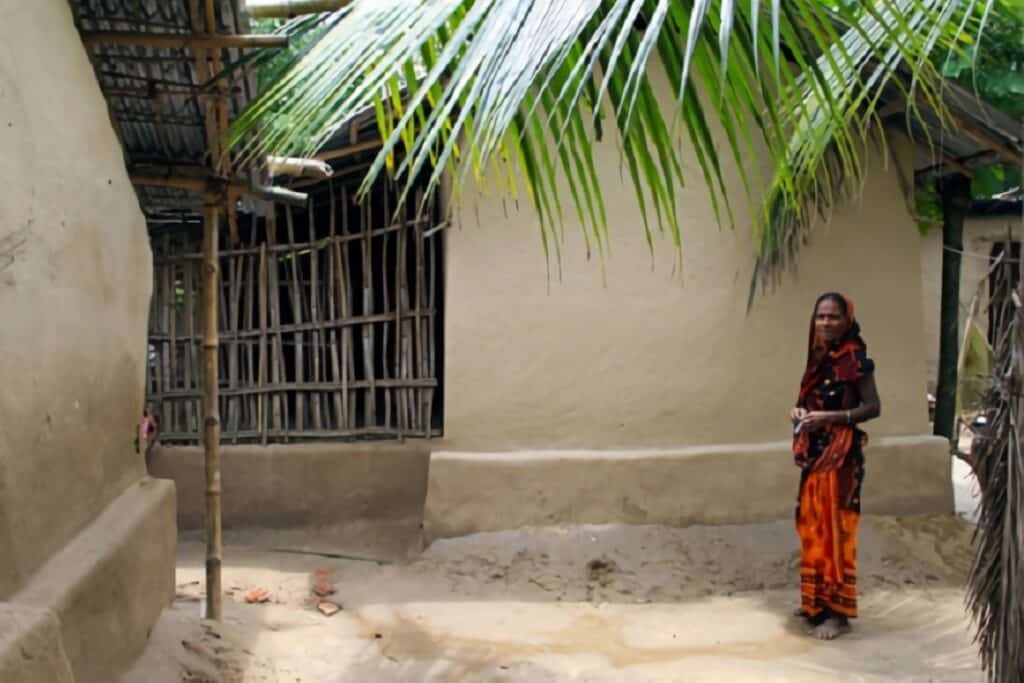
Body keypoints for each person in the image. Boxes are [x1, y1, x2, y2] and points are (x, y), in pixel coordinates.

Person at [790, 292, 881, 640]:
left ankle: (837, 614)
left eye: (833, 317)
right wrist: (798, 412)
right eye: (820, 317)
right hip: (815, 454)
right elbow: (803, 401)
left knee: (836, 532)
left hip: (841, 458)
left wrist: (831, 417)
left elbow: (872, 407)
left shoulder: (853, 357)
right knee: (812, 527)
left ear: (846, 320)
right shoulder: (819, 358)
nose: (825, 323)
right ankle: (815, 603)